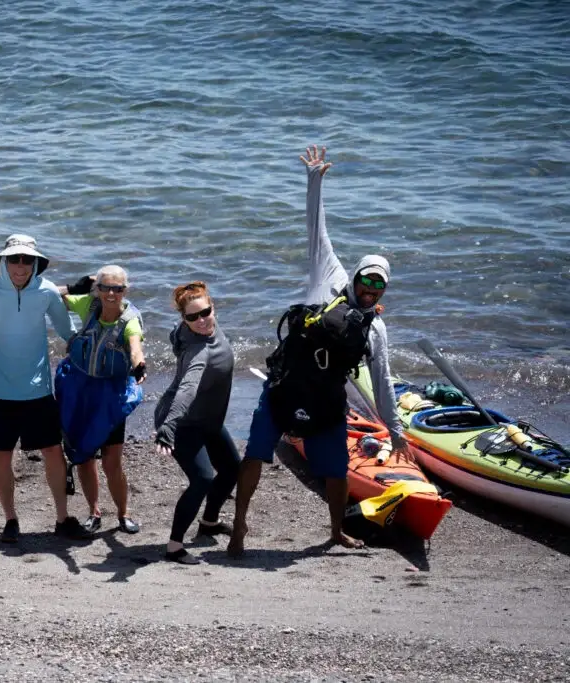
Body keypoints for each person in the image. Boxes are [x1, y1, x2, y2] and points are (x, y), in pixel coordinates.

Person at [227, 146, 409, 557]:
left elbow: (382, 381)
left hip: (327, 403)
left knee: (337, 471)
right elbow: (316, 229)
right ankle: (239, 525)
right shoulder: (328, 275)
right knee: (254, 454)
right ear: (356, 273)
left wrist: (396, 432)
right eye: (367, 279)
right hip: (283, 389)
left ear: (385, 289)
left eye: (379, 286)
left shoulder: (375, 328)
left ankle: (336, 530)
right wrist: (314, 179)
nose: (370, 289)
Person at [0, 234, 92, 543]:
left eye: (27, 260)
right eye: (15, 259)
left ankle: (62, 518)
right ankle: (10, 519)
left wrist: (107, 340)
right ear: (3, 261)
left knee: (52, 450)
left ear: (36, 263)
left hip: (37, 389)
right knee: (1, 455)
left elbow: (69, 333)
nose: (21, 266)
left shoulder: (47, 291)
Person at [154, 282, 239, 565]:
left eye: (205, 312)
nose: (201, 321)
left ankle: (209, 522)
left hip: (208, 419)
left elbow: (174, 335)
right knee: (202, 479)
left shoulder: (198, 329)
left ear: (213, 307)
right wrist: (168, 427)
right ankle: (174, 546)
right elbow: (187, 389)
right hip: (182, 422)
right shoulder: (199, 352)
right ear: (184, 319)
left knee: (231, 469)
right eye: (192, 317)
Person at [56, 265, 146, 534]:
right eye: (105, 287)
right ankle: (94, 512)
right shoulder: (88, 304)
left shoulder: (129, 320)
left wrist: (139, 364)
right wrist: (74, 287)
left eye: (117, 289)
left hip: (111, 394)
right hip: (80, 389)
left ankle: (123, 514)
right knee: (83, 456)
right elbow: (47, 294)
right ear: (98, 289)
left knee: (111, 460)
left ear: (125, 291)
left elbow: (135, 347)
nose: (110, 294)